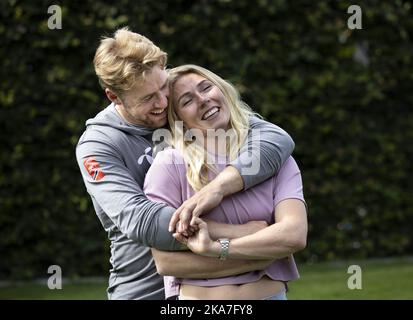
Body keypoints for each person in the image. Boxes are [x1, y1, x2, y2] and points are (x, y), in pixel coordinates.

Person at [76, 27, 296, 300]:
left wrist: (218, 188)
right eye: (147, 99)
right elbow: (142, 221)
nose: (162, 103)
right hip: (146, 289)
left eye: (163, 87)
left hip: (214, 281)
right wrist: (242, 235)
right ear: (114, 96)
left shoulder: (182, 101)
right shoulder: (98, 146)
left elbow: (274, 138)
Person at [144, 65, 308, 300]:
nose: (203, 100)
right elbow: (167, 261)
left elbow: (293, 235)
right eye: (187, 100)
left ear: (222, 90)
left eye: (206, 87)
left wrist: (214, 249)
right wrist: (261, 252)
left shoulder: (274, 158)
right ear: (178, 118)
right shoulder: (168, 165)